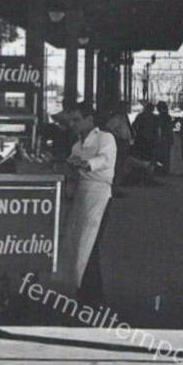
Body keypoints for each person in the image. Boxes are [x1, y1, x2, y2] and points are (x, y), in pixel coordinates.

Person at [62, 101, 118, 300]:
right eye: (70, 121)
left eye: (76, 120)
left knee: (90, 244)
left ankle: (93, 296)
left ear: (89, 119)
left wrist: (85, 164)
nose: (72, 125)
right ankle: (85, 290)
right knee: (79, 244)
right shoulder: (77, 145)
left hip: (99, 194)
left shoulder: (105, 138)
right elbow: (72, 166)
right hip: (81, 194)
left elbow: (105, 160)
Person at [131, 101, 162, 184]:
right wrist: (159, 140)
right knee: (151, 159)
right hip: (151, 141)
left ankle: (140, 177)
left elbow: (134, 127)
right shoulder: (155, 118)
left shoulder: (140, 116)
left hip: (140, 141)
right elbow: (159, 131)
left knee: (141, 159)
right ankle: (149, 177)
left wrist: (135, 136)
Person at [155, 101, 174, 176]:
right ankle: (165, 170)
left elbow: (160, 128)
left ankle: (163, 170)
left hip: (163, 138)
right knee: (166, 155)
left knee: (162, 155)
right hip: (167, 138)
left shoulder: (161, 116)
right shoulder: (167, 116)